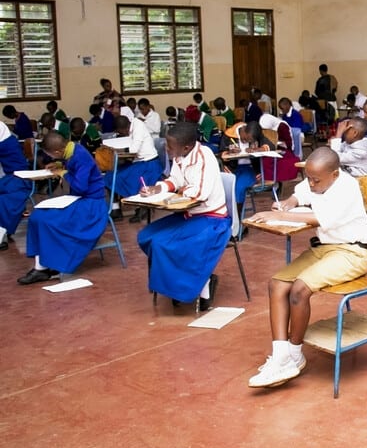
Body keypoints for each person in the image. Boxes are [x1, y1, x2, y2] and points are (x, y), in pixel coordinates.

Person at [247, 147, 367, 388]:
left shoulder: (346, 188)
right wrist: (288, 203)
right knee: (277, 284)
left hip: (352, 253)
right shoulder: (316, 179)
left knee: (299, 290)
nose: (311, 184)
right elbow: (301, 193)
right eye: (309, 178)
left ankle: (294, 355)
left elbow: (318, 219)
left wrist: (276, 216)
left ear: (334, 175)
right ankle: (280, 355)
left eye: (316, 180)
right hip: (324, 249)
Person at [137, 122, 231, 309]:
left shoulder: (205, 157)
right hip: (189, 214)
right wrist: (158, 188)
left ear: (186, 146)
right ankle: (181, 280)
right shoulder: (179, 155)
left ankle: (200, 284)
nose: (167, 148)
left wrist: (180, 189)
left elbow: (199, 194)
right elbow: (174, 180)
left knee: (163, 243)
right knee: (146, 236)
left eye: (170, 146)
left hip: (212, 218)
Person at [17, 131, 108, 284]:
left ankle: (45, 267)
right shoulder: (71, 150)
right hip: (80, 200)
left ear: (58, 151)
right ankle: (41, 266)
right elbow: (72, 168)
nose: (51, 158)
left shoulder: (80, 156)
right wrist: (60, 164)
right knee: (37, 216)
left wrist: (63, 173)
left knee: (46, 220)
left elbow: (80, 186)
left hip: (92, 206)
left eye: (51, 155)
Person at [105, 115, 163, 222]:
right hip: (139, 161)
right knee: (109, 176)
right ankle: (115, 208)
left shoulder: (138, 126)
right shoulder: (132, 126)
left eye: (120, 132)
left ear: (124, 129)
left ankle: (141, 208)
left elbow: (134, 149)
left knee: (123, 178)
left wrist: (117, 149)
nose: (121, 134)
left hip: (149, 164)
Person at [220, 121, 275, 211]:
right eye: (245, 138)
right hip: (232, 169)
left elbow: (271, 146)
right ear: (244, 130)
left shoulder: (255, 133)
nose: (246, 141)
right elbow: (220, 154)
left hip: (250, 169)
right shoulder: (229, 135)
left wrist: (257, 149)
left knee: (239, 187)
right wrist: (229, 152)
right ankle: (230, 215)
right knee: (226, 187)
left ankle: (238, 217)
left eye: (250, 141)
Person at [0, 122, 30, 250]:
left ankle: (1, 231)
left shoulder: (6, 141)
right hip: (9, 177)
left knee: (7, 198)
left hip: (17, 177)